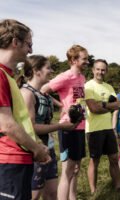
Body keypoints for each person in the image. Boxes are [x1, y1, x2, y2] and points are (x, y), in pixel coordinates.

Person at [0, 19, 50, 200]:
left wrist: (35, 144)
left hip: (18, 157)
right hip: (9, 159)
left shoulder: (8, 75)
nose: (30, 50)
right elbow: (6, 125)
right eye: (29, 44)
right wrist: (36, 149)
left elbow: (20, 120)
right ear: (15, 42)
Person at [19, 55, 78, 200]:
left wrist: (64, 108)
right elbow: (31, 127)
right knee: (33, 195)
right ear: (36, 71)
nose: (52, 71)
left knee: (52, 193)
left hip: (48, 148)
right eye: (48, 68)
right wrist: (59, 126)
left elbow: (46, 112)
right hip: (34, 150)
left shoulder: (41, 93)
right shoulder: (27, 94)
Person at [41, 45, 88, 200]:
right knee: (68, 170)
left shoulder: (82, 78)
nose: (87, 62)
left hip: (81, 126)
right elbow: (43, 90)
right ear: (74, 60)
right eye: (84, 59)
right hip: (68, 128)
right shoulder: (65, 76)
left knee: (76, 169)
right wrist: (61, 105)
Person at [84, 59, 120, 194]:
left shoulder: (109, 87)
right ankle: (93, 191)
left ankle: (118, 187)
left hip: (108, 128)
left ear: (106, 71)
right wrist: (108, 106)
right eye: (98, 69)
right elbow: (94, 109)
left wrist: (103, 105)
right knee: (95, 160)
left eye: (103, 69)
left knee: (113, 157)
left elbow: (118, 104)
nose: (101, 72)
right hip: (94, 129)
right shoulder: (88, 86)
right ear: (93, 70)